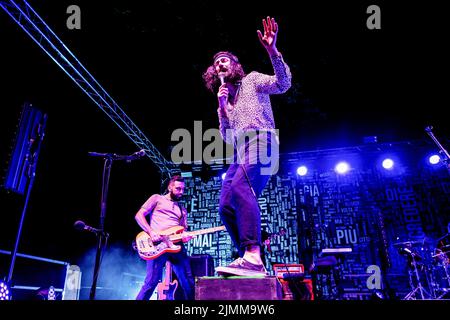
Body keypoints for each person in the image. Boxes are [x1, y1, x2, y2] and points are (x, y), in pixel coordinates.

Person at [202, 16, 292, 276]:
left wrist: (272, 50)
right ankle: (248, 257)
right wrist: (222, 108)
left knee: (242, 187)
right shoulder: (225, 102)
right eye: (216, 62)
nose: (220, 63)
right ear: (213, 73)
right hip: (240, 152)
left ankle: (253, 253)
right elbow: (228, 138)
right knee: (226, 206)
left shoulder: (251, 81)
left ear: (235, 65)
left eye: (225, 59)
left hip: (262, 141)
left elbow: (283, 84)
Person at [134, 175, 195, 300]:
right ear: (169, 187)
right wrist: (151, 232)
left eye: (183, 189)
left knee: (188, 282)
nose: (181, 192)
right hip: (157, 245)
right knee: (151, 283)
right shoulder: (157, 198)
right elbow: (139, 215)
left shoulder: (182, 209)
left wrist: (184, 237)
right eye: (178, 189)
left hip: (176, 246)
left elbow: (183, 230)